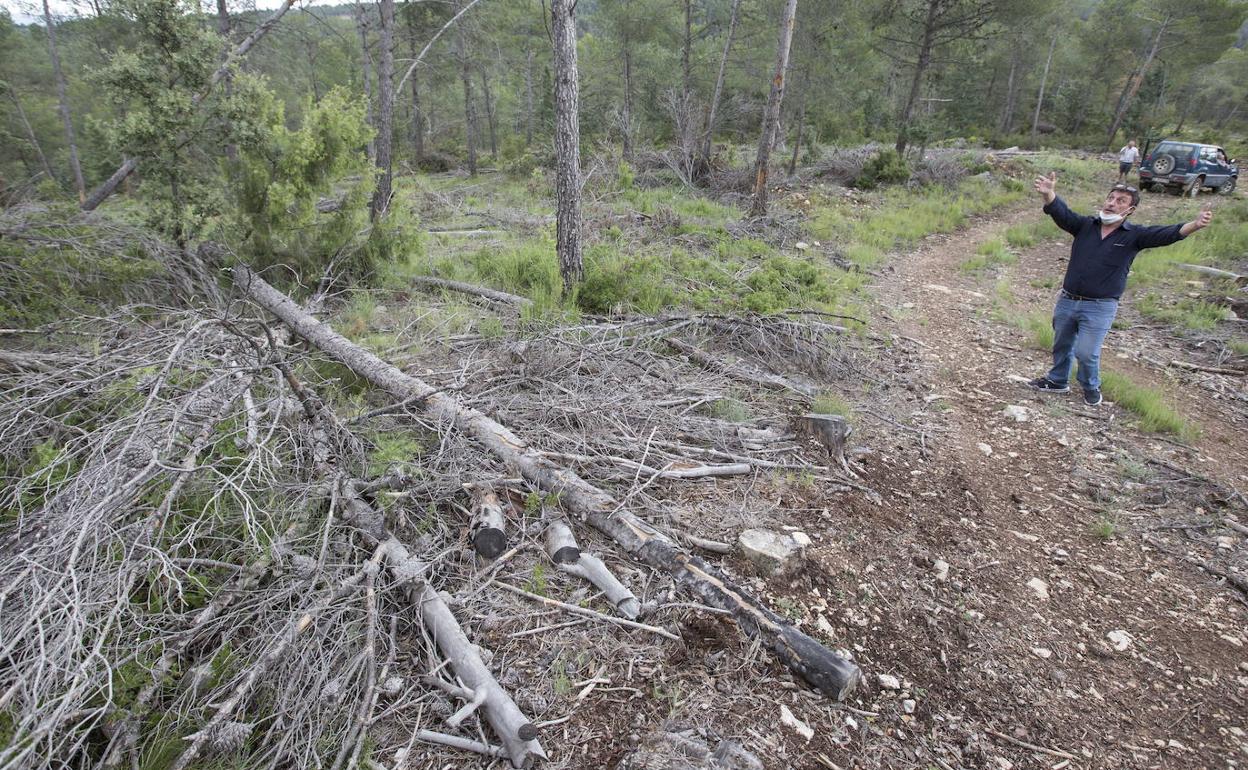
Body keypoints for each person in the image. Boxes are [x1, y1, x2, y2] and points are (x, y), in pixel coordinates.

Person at [1027, 172, 1213, 405]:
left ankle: (1090, 386)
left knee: (1086, 352)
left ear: (1130, 210)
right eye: (1111, 198)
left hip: (1100, 306)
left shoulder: (1135, 236)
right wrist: (1049, 194)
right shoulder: (1085, 226)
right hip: (1067, 300)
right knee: (1062, 344)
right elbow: (1062, 213)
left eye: (1120, 201)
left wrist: (1195, 225)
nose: (1112, 203)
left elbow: (1167, 234)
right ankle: (1057, 381)